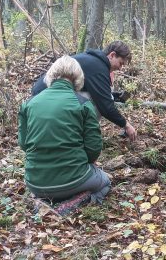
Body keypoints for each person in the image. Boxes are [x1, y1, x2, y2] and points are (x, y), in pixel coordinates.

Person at [18, 56, 111, 203]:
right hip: (74, 180)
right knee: (105, 182)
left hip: (34, 183)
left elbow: (23, 144)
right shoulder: (83, 104)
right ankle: (76, 202)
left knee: (48, 189)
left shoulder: (28, 104)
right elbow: (93, 148)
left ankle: (43, 202)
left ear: (51, 75)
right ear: (78, 77)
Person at [30, 41, 137, 141]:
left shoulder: (93, 61)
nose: (120, 68)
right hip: (46, 103)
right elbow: (105, 106)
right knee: (97, 102)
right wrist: (126, 125)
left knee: (105, 96)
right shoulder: (98, 67)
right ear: (112, 55)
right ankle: (83, 135)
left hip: (40, 101)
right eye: (121, 63)